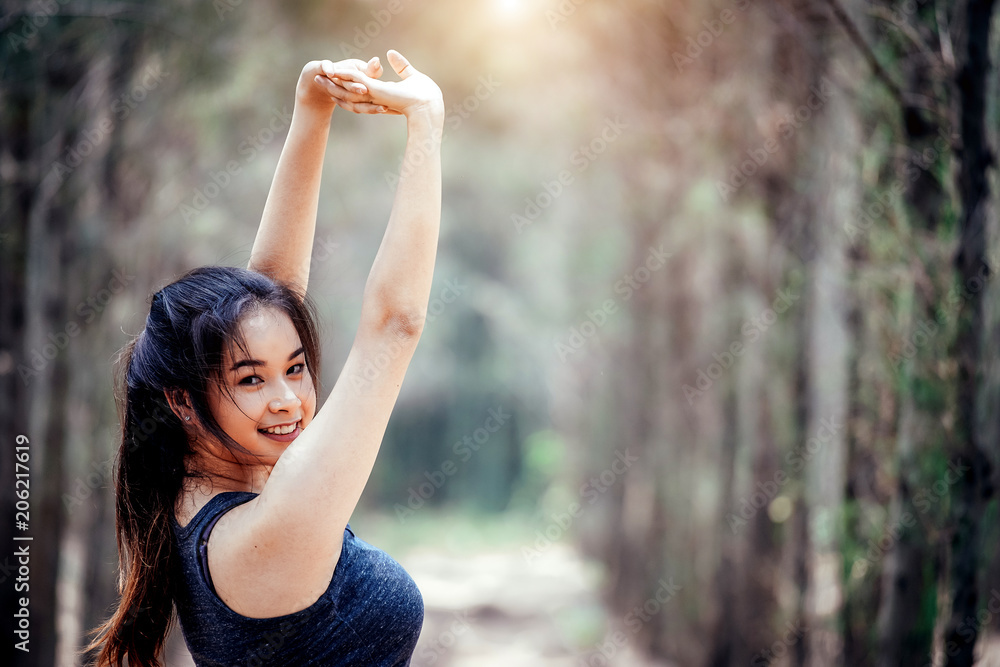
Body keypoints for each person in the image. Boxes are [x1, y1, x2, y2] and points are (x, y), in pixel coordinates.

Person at [85, 49, 444, 666]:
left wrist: (313, 110)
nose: (287, 400)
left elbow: (269, 295)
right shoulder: (267, 531)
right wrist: (427, 125)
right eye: (250, 379)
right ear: (182, 399)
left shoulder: (196, 492)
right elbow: (395, 323)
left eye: (296, 367)